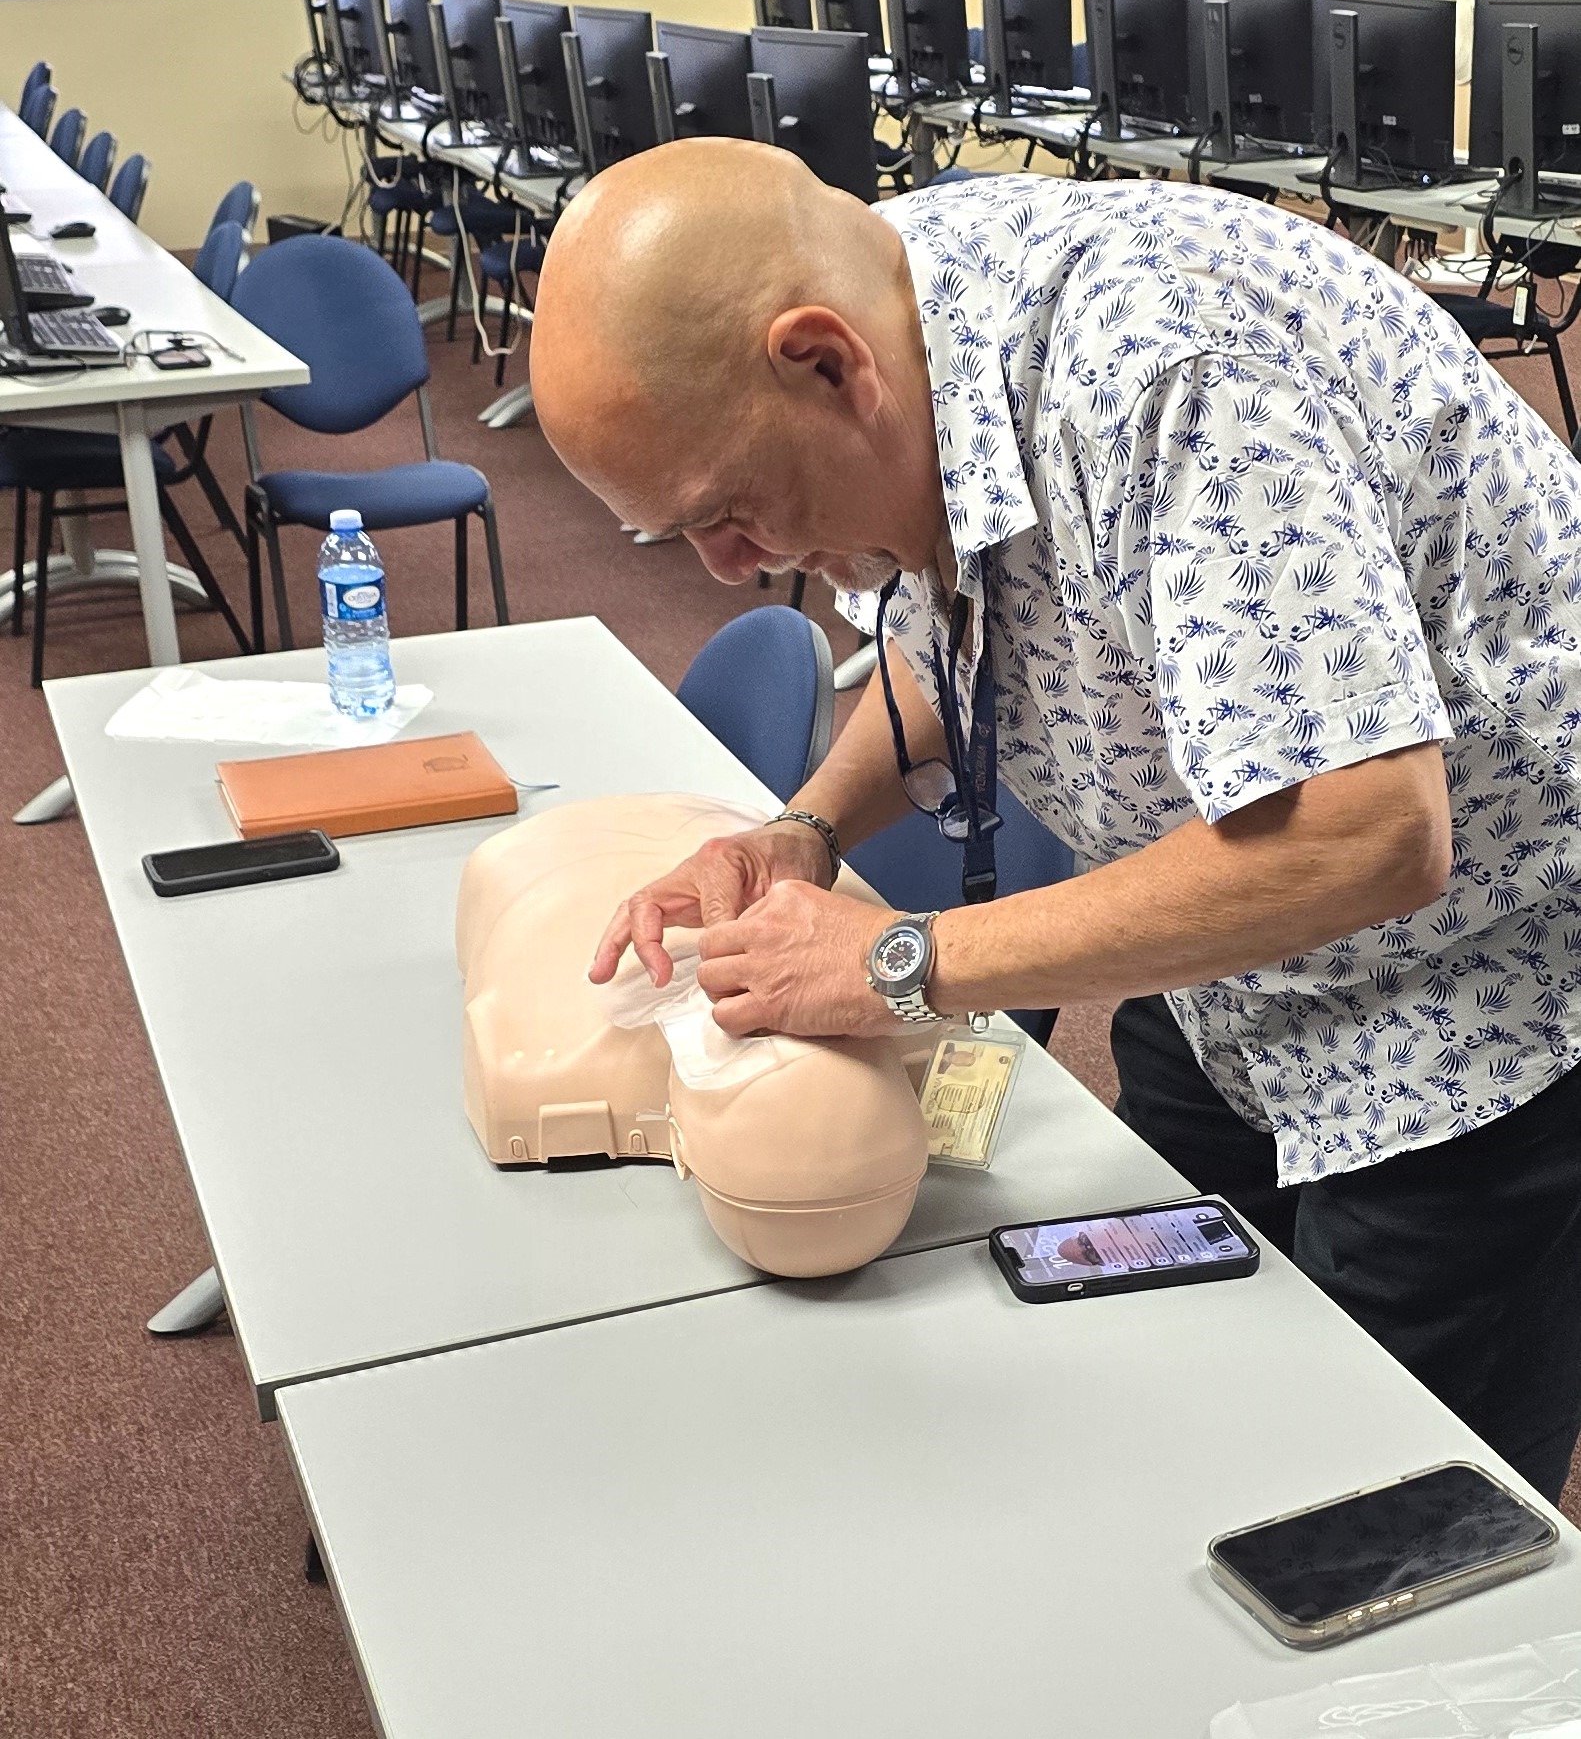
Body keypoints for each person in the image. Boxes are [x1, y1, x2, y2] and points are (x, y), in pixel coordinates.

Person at [529, 138, 1581, 1503]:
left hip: (1472, 1011)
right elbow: (960, 614)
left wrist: (895, 962)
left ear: (823, 362)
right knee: (1181, 1383)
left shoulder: (1170, 380)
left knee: (1386, 1520)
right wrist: (803, 833)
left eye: (725, 513)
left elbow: (1364, 832)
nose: (729, 569)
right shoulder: (902, 304)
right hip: (1218, 954)